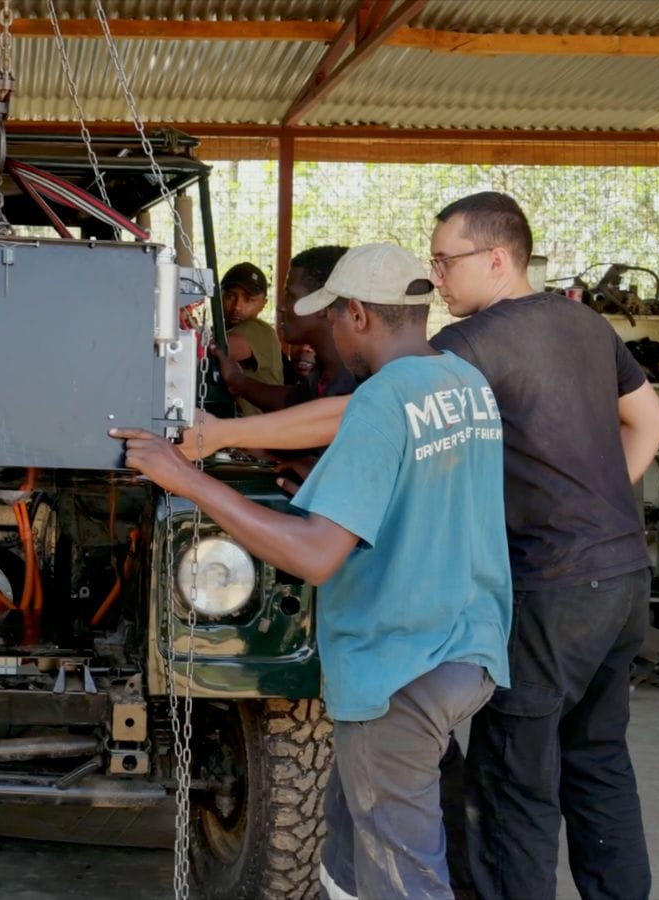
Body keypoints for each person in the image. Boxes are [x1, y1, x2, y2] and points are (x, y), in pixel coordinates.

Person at [181, 192, 659, 900]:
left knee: (515, 784)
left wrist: (220, 435)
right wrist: (591, 514)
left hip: (547, 582)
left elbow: (361, 410)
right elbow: (651, 425)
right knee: (599, 761)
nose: (437, 278)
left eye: (447, 261)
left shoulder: (477, 343)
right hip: (622, 575)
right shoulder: (587, 324)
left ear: (497, 259)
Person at [114, 242, 511, 899]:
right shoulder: (459, 383)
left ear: (356, 313)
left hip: (398, 669)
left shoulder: (384, 403)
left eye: (331, 318)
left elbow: (313, 554)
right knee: (348, 856)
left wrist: (186, 478)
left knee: (402, 877)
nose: (328, 331)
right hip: (463, 649)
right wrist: (220, 435)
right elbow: (344, 415)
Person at [214, 246, 355, 413]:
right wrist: (237, 380)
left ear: (322, 305)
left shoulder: (355, 382)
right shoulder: (323, 373)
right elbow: (291, 402)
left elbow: (309, 418)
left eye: (290, 296)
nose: (281, 307)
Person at [214, 261, 284, 415]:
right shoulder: (222, 330)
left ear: (263, 304)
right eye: (231, 296)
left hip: (257, 433)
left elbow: (220, 347)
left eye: (249, 299)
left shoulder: (259, 330)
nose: (238, 306)